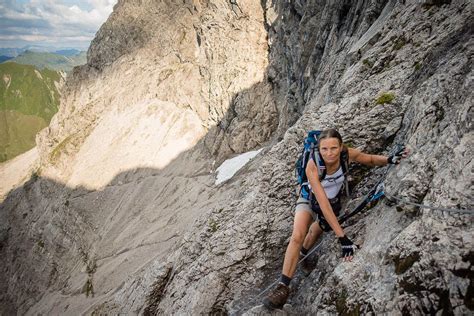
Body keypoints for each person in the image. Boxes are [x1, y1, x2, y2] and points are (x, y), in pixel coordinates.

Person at [263, 128, 408, 309]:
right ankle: (282, 287)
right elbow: (322, 204)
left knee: (319, 227)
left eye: (333, 148)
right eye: (324, 149)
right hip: (309, 198)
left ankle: (304, 252)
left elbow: (369, 159)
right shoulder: (313, 165)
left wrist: (389, 159)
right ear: (319, 149)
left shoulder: (347, 154)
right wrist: (343, 238)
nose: (329, 153)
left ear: (340, 147)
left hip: (332, 200)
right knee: (298, 235)